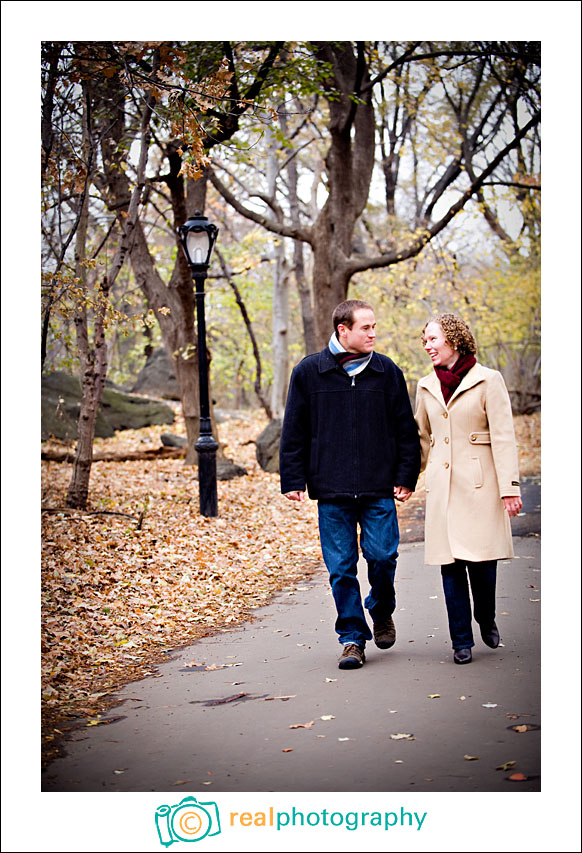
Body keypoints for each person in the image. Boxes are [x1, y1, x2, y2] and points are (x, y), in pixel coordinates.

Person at [279, 300, 420, 669]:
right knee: (341, 568)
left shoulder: (387, 371)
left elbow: (407, 431)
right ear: (343, 330)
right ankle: (353, 638)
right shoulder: (310, 372)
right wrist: (292, 479)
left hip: (378, 489)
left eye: (374, 327)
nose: (373, 333)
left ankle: (380, 608)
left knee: (383, 558)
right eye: (366, 328)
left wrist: (406, 476)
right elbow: (294, 430)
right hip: (332, 490)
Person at [414, 313, 523, 665]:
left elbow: (504, 437)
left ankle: (485, 616)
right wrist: (406, 480)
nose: (427, 346)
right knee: (450, 566)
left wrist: (509, 488)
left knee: (482, 563)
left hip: (480, 485)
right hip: (442, 488)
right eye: (425, 341)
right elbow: (421, 439)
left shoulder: (488, 381)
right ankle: (461, 640)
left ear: (454, 340)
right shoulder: (425, 385)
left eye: (433, 339)